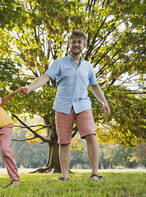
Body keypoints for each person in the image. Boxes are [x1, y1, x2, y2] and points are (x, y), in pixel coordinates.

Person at [22, 30, 111, 181]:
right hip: (63, 106)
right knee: (64, 141)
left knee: (91, 135)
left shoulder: (88, 66)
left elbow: (95, 86)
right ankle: (65, 176)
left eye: (79, 42)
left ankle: (95, 173)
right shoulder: (59, 63)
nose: (76, 44)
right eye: (73, 41)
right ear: (69, 44)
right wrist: (30, 87)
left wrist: (104, 102)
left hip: (83, 105)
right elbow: (45, 77)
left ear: (83, 45)